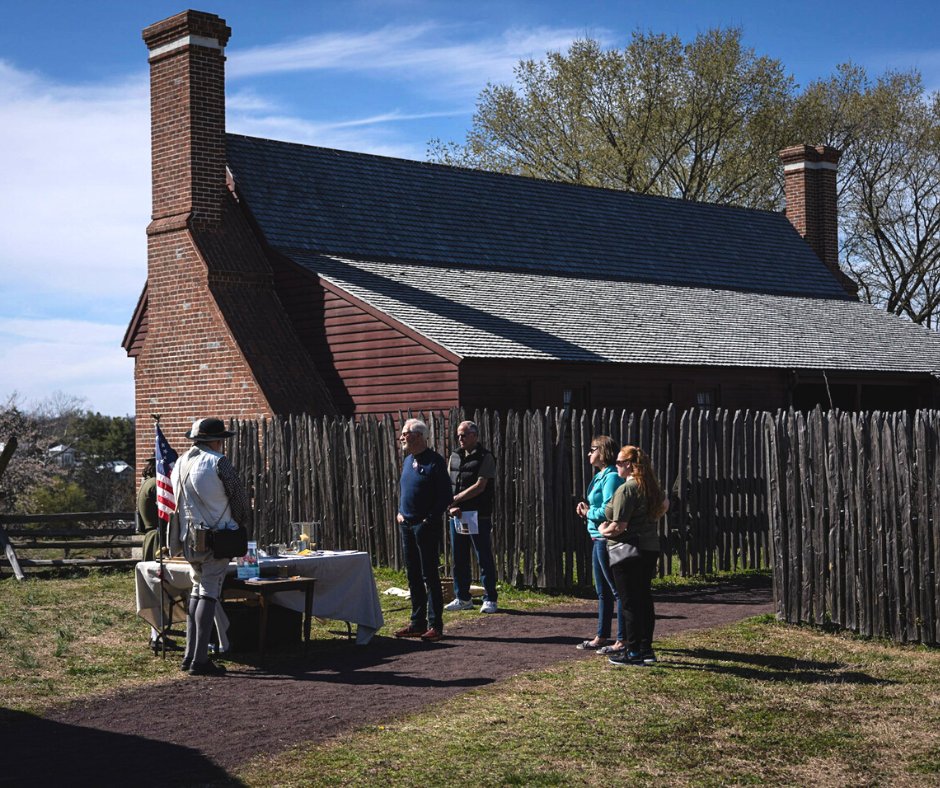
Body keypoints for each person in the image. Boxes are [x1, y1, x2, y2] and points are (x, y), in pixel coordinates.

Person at [171, 417, 250, 676]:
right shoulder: (218, 462)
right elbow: (238, 498)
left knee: (197, 591)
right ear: (215, 441)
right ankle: (200, 659)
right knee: (208, 593)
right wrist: (239, 522)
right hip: (217, 538)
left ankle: (189, 655)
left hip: (189, 538)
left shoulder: (180, 463)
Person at [599, 445, 667, 666]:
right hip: (649, 547)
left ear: (629, 464)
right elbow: (665, 504)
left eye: (619, 463)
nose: (616, 466)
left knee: (629, 601)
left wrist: (602, 530)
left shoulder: (628, 489)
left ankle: (633, 651)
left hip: (626, 548)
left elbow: (619, 526)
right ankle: (646, 650)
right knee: (644, 599)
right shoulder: (651, 486)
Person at [394, 418, 453, 642]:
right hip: (406, 525)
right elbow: (405, 490)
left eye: (405, 433)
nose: (401, 437)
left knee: (430, 575)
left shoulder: (434, 462)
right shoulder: (408, 461)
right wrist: (400, 512)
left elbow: (445, 496)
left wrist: (429, 519)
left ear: (418, 436)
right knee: (413, 575)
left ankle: (435, 625)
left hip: (425, 526)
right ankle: (416, 623)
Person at [575, 435, 626, 654]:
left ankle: (622, 639)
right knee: (602, 591)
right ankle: (602, 635)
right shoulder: (600, 476)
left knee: (617, 590)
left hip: (607, 538)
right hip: (597, 537)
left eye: (592, 449)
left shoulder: (611, 477)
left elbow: (609, 510)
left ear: (603, 451)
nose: (589, 453)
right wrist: (587, 510)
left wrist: (589, 513)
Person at [444, 420, 499, 614]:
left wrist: (455, 499)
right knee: (458, 558)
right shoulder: (455, 456)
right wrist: (450, 507)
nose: (460, 438)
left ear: (474, 436)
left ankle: (490, 598)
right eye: (459, 435)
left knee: (483, 556)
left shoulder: (485, 457)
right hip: (457, 514)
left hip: (478, 514)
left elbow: (480, 485)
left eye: (464, 435)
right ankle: (463, 597)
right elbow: (447, 483)